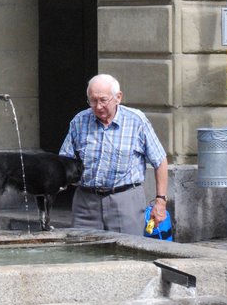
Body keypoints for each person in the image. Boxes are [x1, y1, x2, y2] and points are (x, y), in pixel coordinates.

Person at [59, 74, 168, 236]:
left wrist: (161, 201)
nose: (97, 106)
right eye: (92, 100)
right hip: (86, 202)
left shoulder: (136, 121)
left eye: (103, 100)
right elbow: (64, 160)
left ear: (118, 97)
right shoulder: (80, 121)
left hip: (125, 200)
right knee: (82, 254)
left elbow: (160, 161)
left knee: (127, 254)